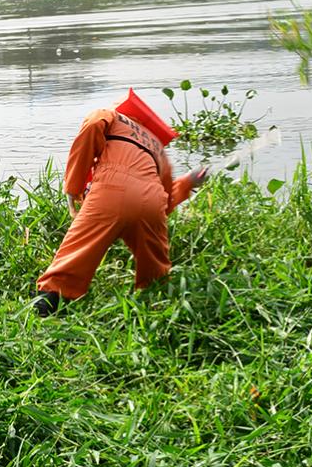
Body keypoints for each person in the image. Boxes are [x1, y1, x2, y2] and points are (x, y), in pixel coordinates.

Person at [34, 90, 210, 315]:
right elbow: (165, 204)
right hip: (152, 202)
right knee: (155, 272)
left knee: (75, 256)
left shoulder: (111, 116)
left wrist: (72, 188)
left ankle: (44, 312)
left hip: (110, 190)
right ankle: (156, 311)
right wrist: (187, 184)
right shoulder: (157, 147)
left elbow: (94, 122)